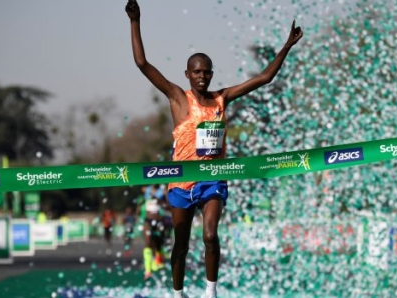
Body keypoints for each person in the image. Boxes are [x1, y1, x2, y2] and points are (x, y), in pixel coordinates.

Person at [125, 1, 303, 297]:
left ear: (211, 74)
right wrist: (135, 22)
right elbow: (143, 64)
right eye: (196, 72)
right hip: (181, 182)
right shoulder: (177, 98)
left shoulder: (222, 98)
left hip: (213, 179)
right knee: (180, 245)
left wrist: (286, 46)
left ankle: (211, 291)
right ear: (187, 74)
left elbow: (264, 78)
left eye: (207, 72)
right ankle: (178, 293)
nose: (202, 77)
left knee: (210, 235)